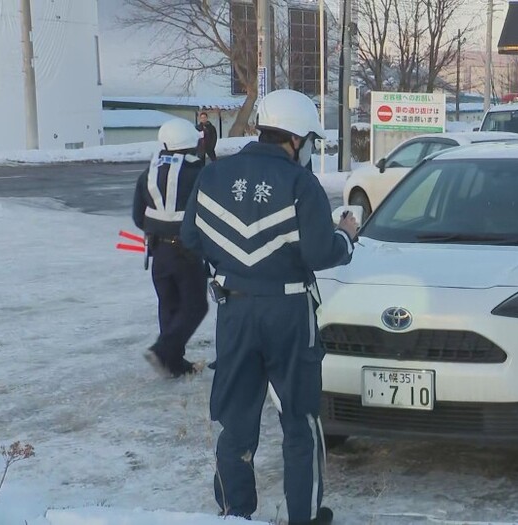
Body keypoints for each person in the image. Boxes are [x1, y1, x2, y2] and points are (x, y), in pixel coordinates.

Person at [181, 89, 358, 524]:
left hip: (234, 312)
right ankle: (303, 516)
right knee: (300, 420)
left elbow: (190, 238)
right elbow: (319, 251)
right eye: (310, 141)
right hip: (290, 314)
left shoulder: (215, 175)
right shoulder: (301, 184)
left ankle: (234, 512)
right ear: (296, 139)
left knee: (235, 419)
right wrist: (347, 237)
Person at [132, 118, 210, 378]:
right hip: (187, 252)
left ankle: (173, 364)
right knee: (196, 306)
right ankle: (163, 351)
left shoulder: (149, 173)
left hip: (158, 252)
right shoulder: (198, 172)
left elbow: (137, 216)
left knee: (169, 305)